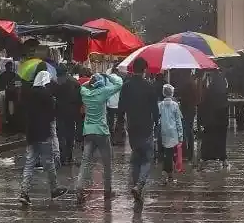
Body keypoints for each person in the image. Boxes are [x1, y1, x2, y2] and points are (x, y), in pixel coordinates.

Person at [75, 71, 124, 206]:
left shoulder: (85, 93)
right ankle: (107, 190)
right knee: (107, 162)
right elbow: (119, 84)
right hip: (102, 132)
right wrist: (108, 76)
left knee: (85, 162)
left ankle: (79, 188)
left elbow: (82, 86)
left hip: (88, 132)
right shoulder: (103, 92)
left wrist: (89, 81)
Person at [20, 70, 67, 206]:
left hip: (31, 135)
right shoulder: (48, 96)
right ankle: (54, 189)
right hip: (44, 135)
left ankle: (24, 192)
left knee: (29, 163)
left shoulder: (28, 95)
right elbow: (53, 118)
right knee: (49, 163)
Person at [119, 60, 160, 205]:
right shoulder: (149, 86)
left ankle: (136, 186)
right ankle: (139, 185)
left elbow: (121, 108)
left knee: (136, 157)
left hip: (132, 127)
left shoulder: (126, 86)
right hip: (146, 127)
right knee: (147, 158)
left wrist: (121, 125)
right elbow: (155, 110)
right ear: (144, 70)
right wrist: (157, 123)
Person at [199, 70, 230, 168]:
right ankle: (223, 160)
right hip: (221, 121)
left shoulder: (209, 91)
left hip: (210, 121)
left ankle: (203, 160)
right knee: (221, 140)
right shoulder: (223, 92)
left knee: (207, 140)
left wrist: (202, 120)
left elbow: (203, 105)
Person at [54, 64, 83, 167]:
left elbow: (53, 97)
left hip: (59, 112)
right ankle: (69, 157)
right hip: (72, 112)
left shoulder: (56, 82)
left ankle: (62, 158)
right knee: (70, 134)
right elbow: (80, 99)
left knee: (61, 135)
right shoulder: (74, 82)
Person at [157, 84, 184, 185]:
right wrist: (181, 135)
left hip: (164, 132)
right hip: (173, 133)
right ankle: (167, 175)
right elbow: (178, 121)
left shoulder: (160, 105)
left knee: (168, 153)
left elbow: (158, 119)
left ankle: (169, 175)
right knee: (170, 154)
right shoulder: (175, 105)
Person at [174, 71, 200, 163]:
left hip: (186, 110)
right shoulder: (193, 83)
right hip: (191, 109)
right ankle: (190, 153)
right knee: (189, 131)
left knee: (185, 131)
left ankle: (185, 153)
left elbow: (181, 94)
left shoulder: (187, 84)